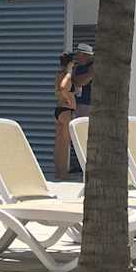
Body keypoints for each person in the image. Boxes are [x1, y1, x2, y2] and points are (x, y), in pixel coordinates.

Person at [53, 52, 76, 180]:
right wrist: (69, 99)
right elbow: (63, 87)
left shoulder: (58, 74)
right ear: (70, 63)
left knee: (58, 144)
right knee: (65, 144)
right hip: (66, 111)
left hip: (58, 110)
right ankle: (63, 173)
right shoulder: (67, 74)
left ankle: (58, 172)